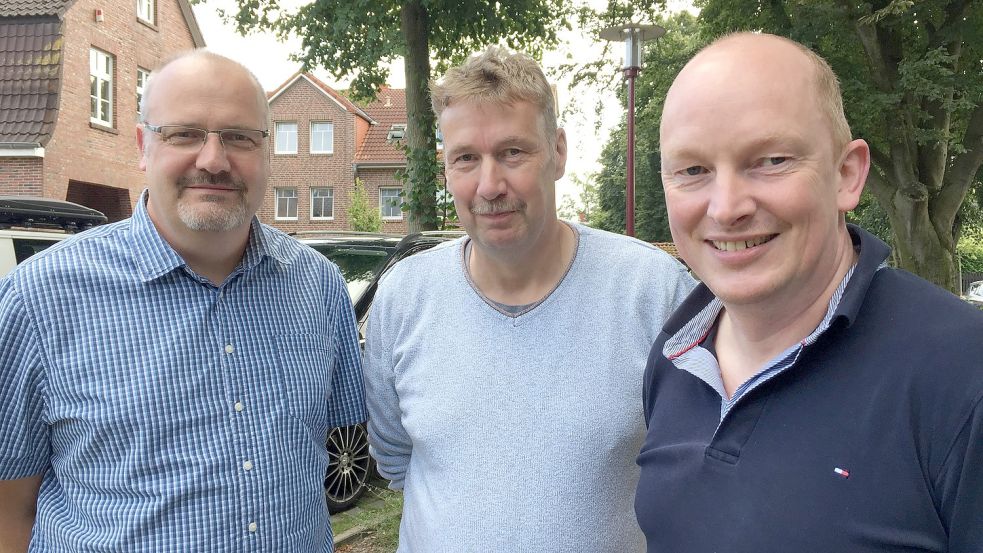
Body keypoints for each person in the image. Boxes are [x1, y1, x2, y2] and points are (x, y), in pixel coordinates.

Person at [0, 50, 365, 552]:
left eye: (239, 137)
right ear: (143, 146)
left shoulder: (319, 287)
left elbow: (328, 451)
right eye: (185, 134)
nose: (213, 160)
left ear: (266, 150)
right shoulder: (39, 299)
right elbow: (10, 507)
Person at [636, 32, 983, 552]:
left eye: (771, 160)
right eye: (693, 170)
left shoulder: (964, 375)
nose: (726, 207)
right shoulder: (675, 360)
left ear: (847, 174)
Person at [363, 46, 695, 552]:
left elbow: (695, 463)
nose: (490, 185)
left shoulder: (653, 292)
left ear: (558, 151)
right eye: (466, 158)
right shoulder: (405, 297)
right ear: (446, 166)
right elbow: (394, 455)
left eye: (513, 152)